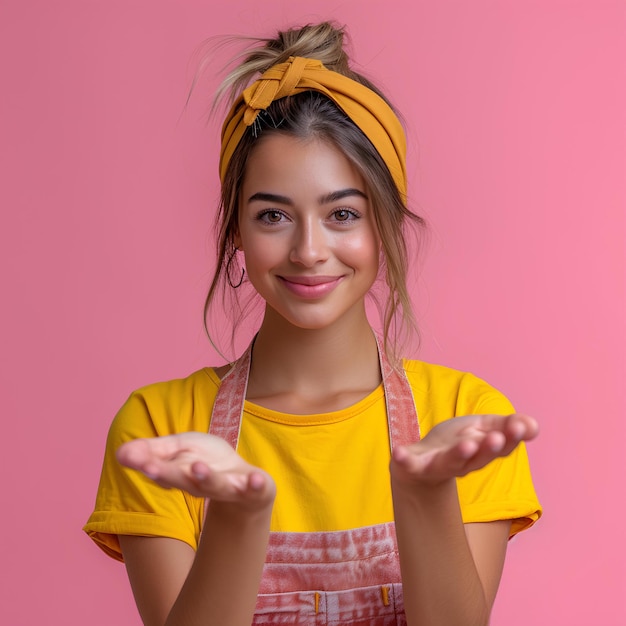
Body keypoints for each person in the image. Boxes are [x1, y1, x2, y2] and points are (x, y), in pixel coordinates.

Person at [84, 21, 541, 626]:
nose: (308, 250)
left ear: (385, 227)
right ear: (236, 234)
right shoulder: (160, 427)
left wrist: (426, 493)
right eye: (273, 215)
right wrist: (239, 517)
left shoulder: (460, 415)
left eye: (342, 214)